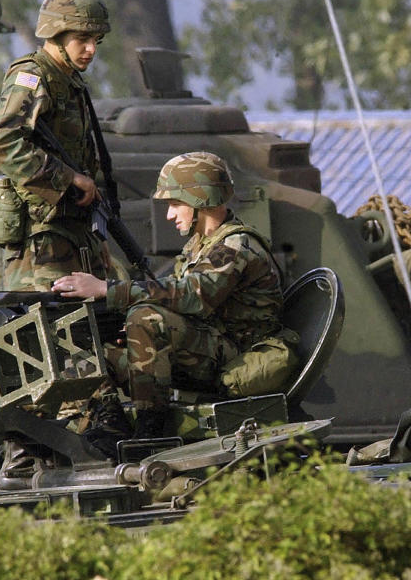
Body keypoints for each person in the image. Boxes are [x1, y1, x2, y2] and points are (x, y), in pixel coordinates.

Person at [52, 152, 298, 444]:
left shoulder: (236, 246)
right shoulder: (201, 245)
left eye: (175, 204)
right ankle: (109, 423)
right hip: (205, 349)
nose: (169, 215)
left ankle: (149, 432)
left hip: (236, 357)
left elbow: (193, 296)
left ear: (200, 200)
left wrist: (108, 289)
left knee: (145, 317)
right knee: (89, 349)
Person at [0, 0, 112, 291]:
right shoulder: (32, 76)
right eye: (82, 39)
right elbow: (4, 144)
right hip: (41, 241)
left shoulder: (68, 80)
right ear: (55, 35)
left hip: (72, 233)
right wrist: (69, 178)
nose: (91, 50)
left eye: (95, 40)